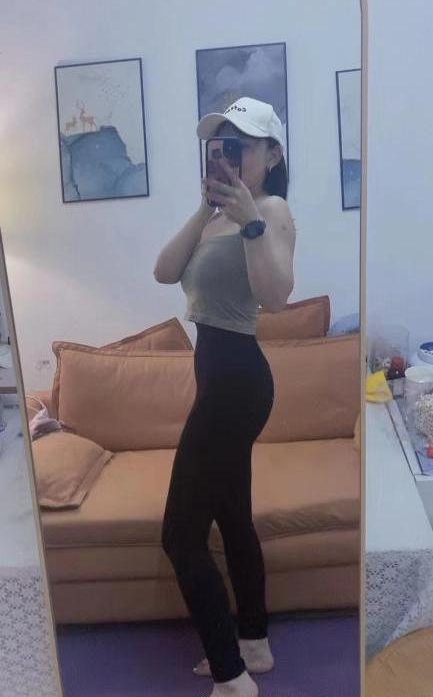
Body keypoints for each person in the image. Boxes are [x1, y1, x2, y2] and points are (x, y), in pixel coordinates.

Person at [153, 97, 296, 697]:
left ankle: (230, 676)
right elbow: (164, 271)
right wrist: (205, 207)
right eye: (221, 145)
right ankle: (253, 643)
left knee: (179, 535)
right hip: (218, 380)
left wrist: (250, 220)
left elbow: (277, 296)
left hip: (237, 382)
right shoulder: (214, 218)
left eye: (242, 143)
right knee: (232, 515)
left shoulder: (272, 210)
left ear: (272, 154)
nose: (229, 153)